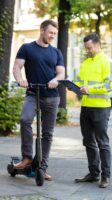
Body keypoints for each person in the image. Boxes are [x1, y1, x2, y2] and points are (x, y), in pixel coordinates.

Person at [12, 19, 65, 181]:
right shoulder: (27, 48)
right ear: (42, 30)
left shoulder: (56, 52)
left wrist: (56, 79)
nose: (53, 36)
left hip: (52, 97)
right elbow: (16, 67)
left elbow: (61, 73)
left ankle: (42, 167)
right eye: (50, 33)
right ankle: (27, 157)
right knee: (25, 119)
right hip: (32, 93)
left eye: (55, 34)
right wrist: (21, 79)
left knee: (47, 134)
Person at [74, 33, 112, 188]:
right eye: (86, 48)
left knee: (102, 143)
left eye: (89, 47)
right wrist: (72, 85)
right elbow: (79, 81)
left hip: (101, 108)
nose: (87, 50)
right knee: (88, 141)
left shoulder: (108, 63)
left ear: (98, 45)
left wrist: (89, 88)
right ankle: (93, 174)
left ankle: (105, 177)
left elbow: (109, 87)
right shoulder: (85, 63)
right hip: (85, 107)